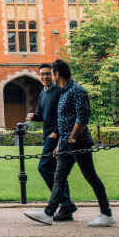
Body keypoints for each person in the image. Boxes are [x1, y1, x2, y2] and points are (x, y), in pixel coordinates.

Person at [25, 59, 116, 227]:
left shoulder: (76, 90)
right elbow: (63, 122)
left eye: (51, 73)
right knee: (59, 178)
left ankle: (107, 214)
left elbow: (82, 117)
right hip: (66, 144)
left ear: (57, 74)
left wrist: (72, 137)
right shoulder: (64, 91)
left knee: (91, 177)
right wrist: (61, 144)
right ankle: (48, 213)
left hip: (79, 143)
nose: (49, 76)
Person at [26, 63, 77, 221]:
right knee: (58, 173)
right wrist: (34, 116)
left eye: (48, 74)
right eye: (41, 74)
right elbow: (42, 115)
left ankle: (66, 203)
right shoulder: (43, 93)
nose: (44, 77)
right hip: (48, 135)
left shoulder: (59, 92)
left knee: (44, 167)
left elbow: (63, 116)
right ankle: (66, 208)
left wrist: (56, 136)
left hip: (55, 136)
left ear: (54, 75)